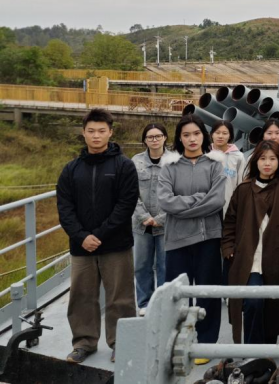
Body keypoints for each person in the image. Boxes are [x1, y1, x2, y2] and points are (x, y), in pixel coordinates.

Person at [57, 109, 138, 364]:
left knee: (120, 297)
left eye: (101, 131)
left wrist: (99, 235)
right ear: (83, 133)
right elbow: (65, 208)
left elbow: (126, 205)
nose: (96, 135)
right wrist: (82, 236)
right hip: (81, 246)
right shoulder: (71, 169)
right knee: (81, 296)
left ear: (110, 132)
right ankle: (84, 342)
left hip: (116, 244)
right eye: (91, 131)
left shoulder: (124, 166)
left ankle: (121, 342)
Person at [158, 114, 226, 358]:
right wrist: (199, 199)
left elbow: (217, 200)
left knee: (207, 293)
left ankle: (205, 343)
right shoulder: (169, 167)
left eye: (196, 133)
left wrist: (183, 207)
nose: (192, 139)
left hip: (208, 239)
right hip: (177, 240)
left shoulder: (215, 164)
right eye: (186, 135)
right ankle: (175, 342)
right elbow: (165, 201)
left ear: (203, 136)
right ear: (179, 138)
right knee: (177, 295)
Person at [222, 141, 279, 344]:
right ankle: (252, 352)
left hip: (277, 258)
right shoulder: (244, 189)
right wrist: (228, 248)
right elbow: (230, 222)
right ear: (255, 161)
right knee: (253, 302)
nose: (267, 163)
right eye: (263, 158)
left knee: (272, 307)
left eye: (272, 159)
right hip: (250, 259)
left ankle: (267, 353)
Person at [132, 123, 173, 317]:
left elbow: (178, 192)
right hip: (140, 224)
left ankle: (162, 302)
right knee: (141, 264)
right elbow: (130, 192)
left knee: (165, 265)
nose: (154, 140)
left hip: (166, 223)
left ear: (165, 137)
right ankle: (144, 302)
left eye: (158, 136)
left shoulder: (174, 161)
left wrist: (161, 218)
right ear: (144, 140)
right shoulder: (136, 161)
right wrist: (144, 216)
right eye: (150, 137)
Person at [210, 119, 245, 215]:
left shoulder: (238, 157)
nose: (220, 136)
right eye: (217, 133)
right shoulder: (205, 155)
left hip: (229, 205)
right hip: (207, 205)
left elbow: (241, 183)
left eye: (225, 133)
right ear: (212, 134)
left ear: (230, 136)